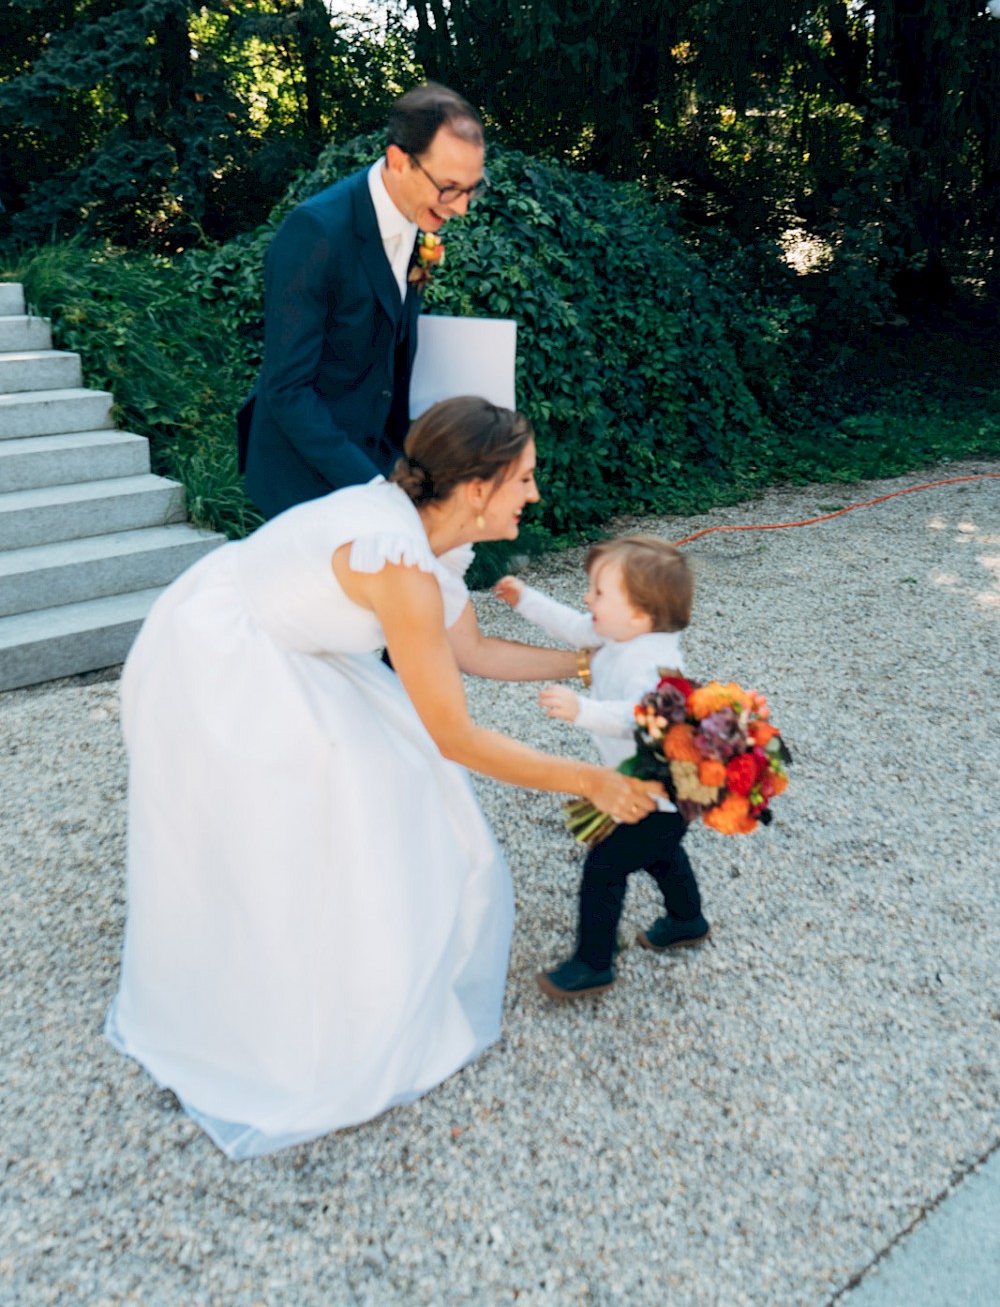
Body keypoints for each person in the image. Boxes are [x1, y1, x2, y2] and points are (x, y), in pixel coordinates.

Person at [106, 399, 662, 1159]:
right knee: (321, 808)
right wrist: (586, 780)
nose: (535, 493)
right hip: (229, 655)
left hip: (298, 641)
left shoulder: (426, 538)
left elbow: (470, 653)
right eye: (524, 478)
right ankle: (285, 1003)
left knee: (392, 781)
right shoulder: (399, 563)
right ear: (477, 489)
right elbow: (454, 734)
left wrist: (591, 664)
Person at [238, 83, 487, 519]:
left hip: (379, 463)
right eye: (449, 188)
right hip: (304, 480)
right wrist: (372, 485)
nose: (461, 208)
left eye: (472, 189)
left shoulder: (418, 216)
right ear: (398, 161)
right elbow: (286, 389)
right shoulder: (315, 232)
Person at [495, 536, 710, 1000]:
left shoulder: (655, 665)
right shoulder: (619, 632)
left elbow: (640, 717)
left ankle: (594, 963)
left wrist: (582, 710)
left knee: (604, 868)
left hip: (659, 790)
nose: (587, 600)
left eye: (598, 593)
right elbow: (574, 626)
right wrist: (525, 600)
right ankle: (687, 919)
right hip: (653, 793)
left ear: (639, 614)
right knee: (662, 853)